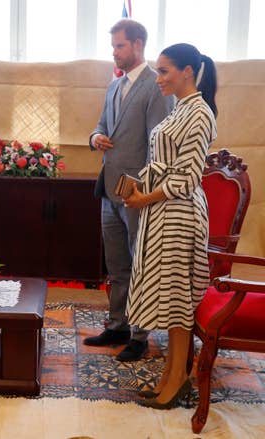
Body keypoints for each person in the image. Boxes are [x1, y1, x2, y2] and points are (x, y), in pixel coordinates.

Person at [125, 43, 217, 409]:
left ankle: (177, 380)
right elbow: (165, 165)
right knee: (170, 301)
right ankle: (169, 375)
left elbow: (187, 178)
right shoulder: (181, 108)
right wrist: (138, 187)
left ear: (188, 71)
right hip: (163, 214)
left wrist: (142, 199)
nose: (158, 77)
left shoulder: (199, 113)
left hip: (179, 216)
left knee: (178, 303)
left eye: (164, 71)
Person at [84, 19, 174, 362]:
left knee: (140, 263)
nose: (115, 52)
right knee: (117, 263)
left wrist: (143, 190)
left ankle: (139, 334)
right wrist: (95, 138)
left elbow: (158, 146)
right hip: (109, 190)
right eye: (114, 46)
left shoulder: (156, 86)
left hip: (138, 194)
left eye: (119, 46)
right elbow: (101, 126)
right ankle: (118, 325)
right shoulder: (113, 85)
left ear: (138, 45)